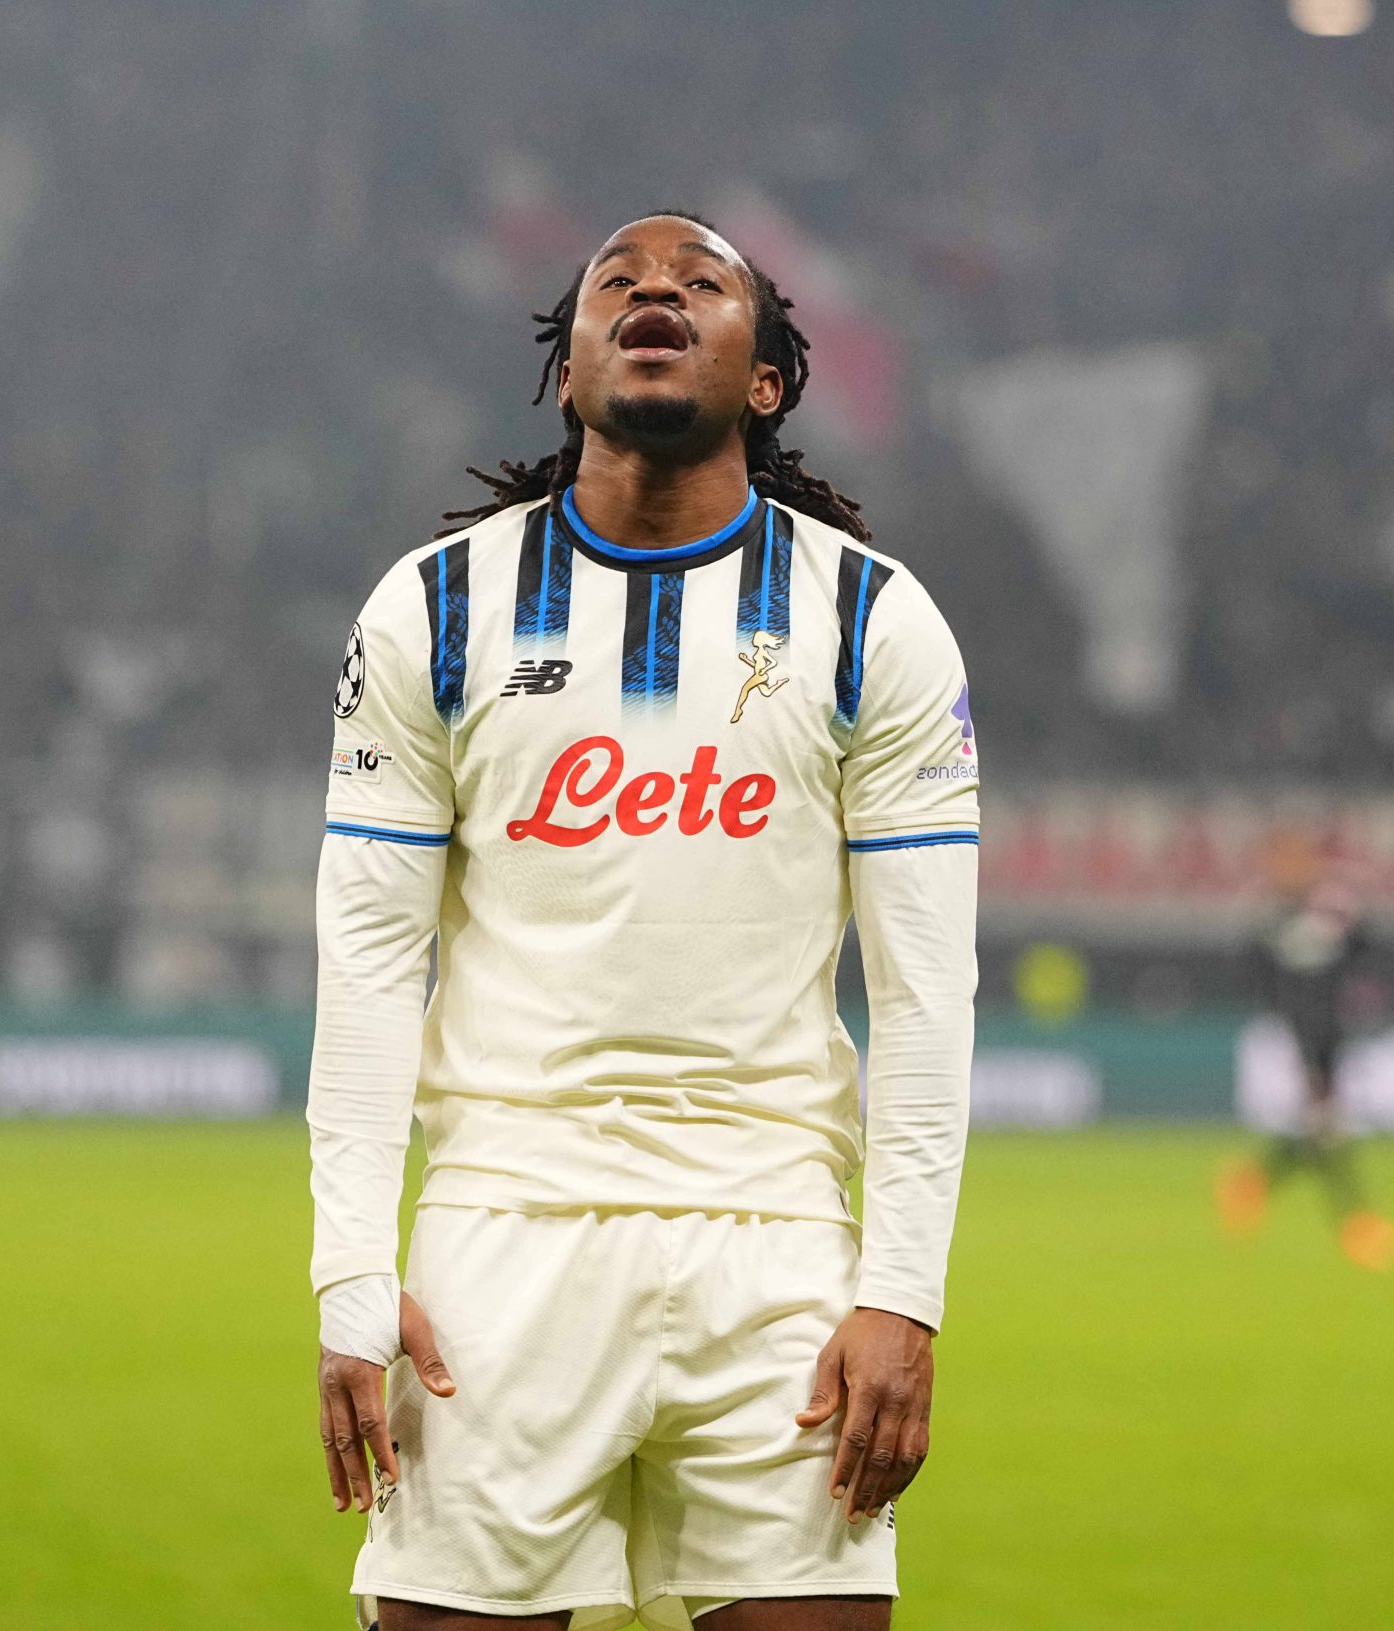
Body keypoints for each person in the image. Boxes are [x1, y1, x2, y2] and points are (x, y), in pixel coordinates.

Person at [308, 212, 980, 1631]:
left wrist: (903, 1295)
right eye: (617, 280)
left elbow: (924, 991)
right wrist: (352, 1267)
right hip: (502, 1237)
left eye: (700, 281)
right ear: (569, 370)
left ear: (767, 381)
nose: (655, 289)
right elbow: (370, 956)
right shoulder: (433, 607)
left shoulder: (874, 619)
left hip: (779, 1250)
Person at [1217, 874, 1394, 1270]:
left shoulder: (1295, 940)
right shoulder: (1324, 946)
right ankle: (1355, 1223)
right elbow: (1366, 945)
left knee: (1321, 1135)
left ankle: (1253, 1184)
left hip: (1318, 1044)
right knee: (1327, 1137)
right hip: (1317, 1047)